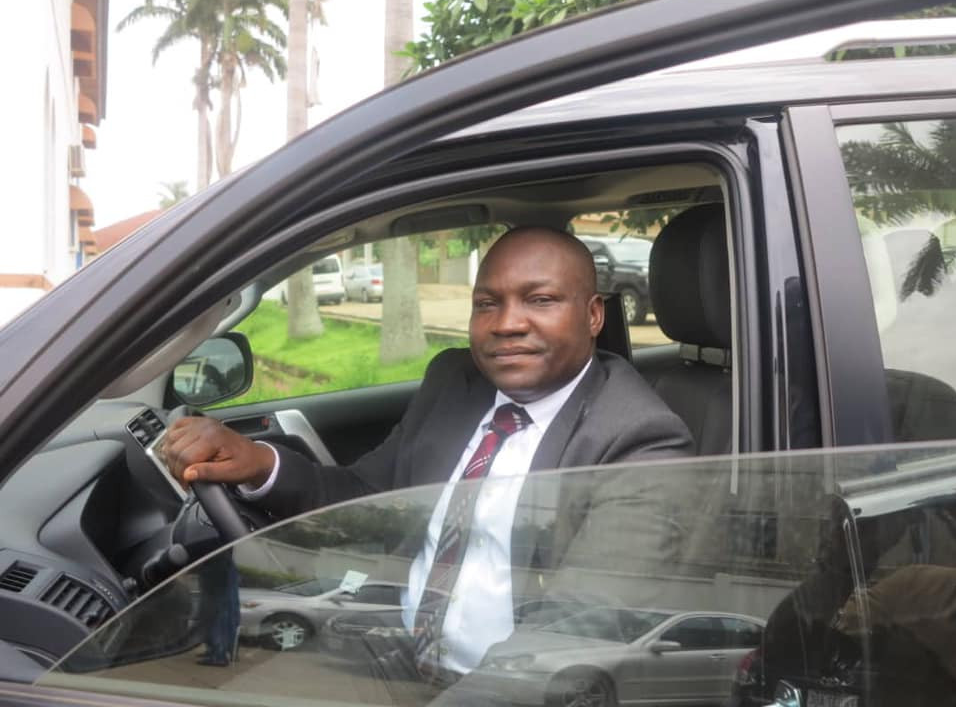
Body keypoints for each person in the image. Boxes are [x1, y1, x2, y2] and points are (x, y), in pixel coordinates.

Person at [163, 226, 693, 685]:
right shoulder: (455, 382)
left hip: (513, 686)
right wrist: (259, 462)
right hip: (395, 650)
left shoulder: (639, 438)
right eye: (487, 303)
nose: (506, 323)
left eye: (540, 300)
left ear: (594, 315)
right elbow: (368, 499)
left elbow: (576, 632)